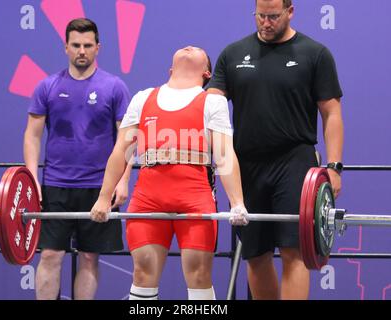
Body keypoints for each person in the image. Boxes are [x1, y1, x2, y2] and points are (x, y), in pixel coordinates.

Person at [208, 0, 344, 300]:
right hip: (247, 163)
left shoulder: (315, 53)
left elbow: (331, 113)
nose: (265, 23)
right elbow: (210, 106)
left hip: (295, 161)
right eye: (260, 16)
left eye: (273, 16)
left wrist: (334, 167)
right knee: (255, 253)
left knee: (294, 250)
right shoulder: (232, 54)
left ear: (290, 12)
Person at [90, 46, 249, 300]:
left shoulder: (212, 101)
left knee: (199, 276)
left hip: (195, 198)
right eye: (185, 48)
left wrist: (238, 203)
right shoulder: (143, 98)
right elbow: (122, 150)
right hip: (148, 198)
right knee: (143, 273)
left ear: (206, 72)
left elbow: (224, 154)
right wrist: (103, 197)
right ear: (170, 69)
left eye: (198, 49)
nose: (189, 48)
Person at [23, 18, 131, 300]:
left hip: (100, 188)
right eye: (76, 45)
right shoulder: (46, 87)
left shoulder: (115, 87)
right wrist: (32, 178)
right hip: (56, 186)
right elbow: (32, 137)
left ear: (98, 48)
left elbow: (127, 139)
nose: (81, 50)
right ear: (66, 48)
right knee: (49, 255)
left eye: (87, 45)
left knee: (89, 257)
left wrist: (122, 182)